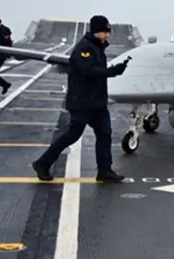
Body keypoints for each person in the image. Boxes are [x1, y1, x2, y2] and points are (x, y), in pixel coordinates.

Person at [31, 15, 129, 183]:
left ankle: (105, 170)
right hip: (82, 101)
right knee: (73, 134)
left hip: (97, 102)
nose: (107, 35)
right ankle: (42, 163)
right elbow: (88, 71)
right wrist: (113, 71)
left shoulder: (97, 47)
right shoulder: (85, 48)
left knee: (105, 133)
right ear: (96, 31)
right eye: (104, 32)